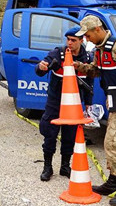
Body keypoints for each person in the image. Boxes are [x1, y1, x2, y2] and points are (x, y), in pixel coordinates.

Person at [73, 15, 116, 206]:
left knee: (114, 144)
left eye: (87, 35)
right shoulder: (100, 49)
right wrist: (79, 67)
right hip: (114, 103)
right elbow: (97, 71)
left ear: (97, 29)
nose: (86, 39)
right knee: (110, 142)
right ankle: (114, 181)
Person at [35, 27, 93, 180]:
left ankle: (65, 167)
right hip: (55, 101)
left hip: (73, 104)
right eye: (67, 39)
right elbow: (41, 69)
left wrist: (88, 103)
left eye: (73, 40)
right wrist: (41, 67)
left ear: (82, 40)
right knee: (50, 134)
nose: (69, 43)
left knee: (70, 135)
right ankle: (47, 167)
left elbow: (90, 81)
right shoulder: (58, 53)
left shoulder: (86, 58)